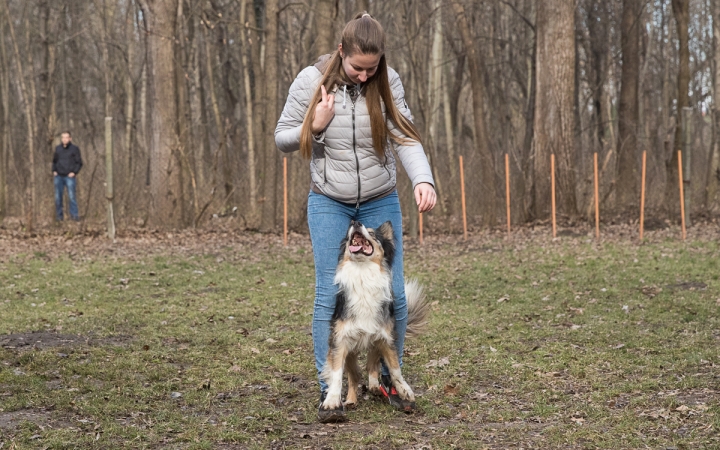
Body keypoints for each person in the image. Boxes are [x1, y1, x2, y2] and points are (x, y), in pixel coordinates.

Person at [275, 12, 437, 421]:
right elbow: (282, 138)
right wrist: (314, 126)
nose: (365, 75)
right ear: (341, 52)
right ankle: (328, 388)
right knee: (328, 296)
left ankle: (382, 378)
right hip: (330, 200)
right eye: (357, 67)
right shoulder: (310, 80)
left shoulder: (387, 82)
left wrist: (423, 179)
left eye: (373, 67)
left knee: (395, 297)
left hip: (381, 199)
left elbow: (404, 134)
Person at [52, 131, 83, 221]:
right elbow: (54, 161)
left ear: (70, 138)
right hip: (58, 176)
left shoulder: (74, 149)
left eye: (66, 137)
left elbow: (79, 163)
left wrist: (74, 172)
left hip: (69, 177)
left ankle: (74, 217)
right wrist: (54, 170)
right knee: (58, 198)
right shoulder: (58, 149)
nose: (64, 139)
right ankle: (59, 218)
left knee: (72, 197)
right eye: (63, 137)